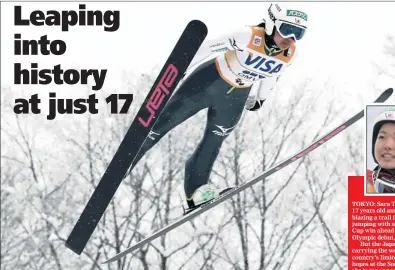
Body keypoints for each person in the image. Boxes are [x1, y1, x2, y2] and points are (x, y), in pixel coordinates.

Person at [128, 3, 308, 210]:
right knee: (162, 125)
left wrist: (260, 98)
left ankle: (196, 192)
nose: (291, 38)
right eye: (287, 30)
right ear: (271, 24)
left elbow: (274, 75)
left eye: (298, 34)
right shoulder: (247, 35)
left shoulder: (289, 54)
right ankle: (126, 162)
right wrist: (181, 69)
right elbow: (207, 48)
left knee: (214, 141)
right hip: (207, 83)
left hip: (234, 99)